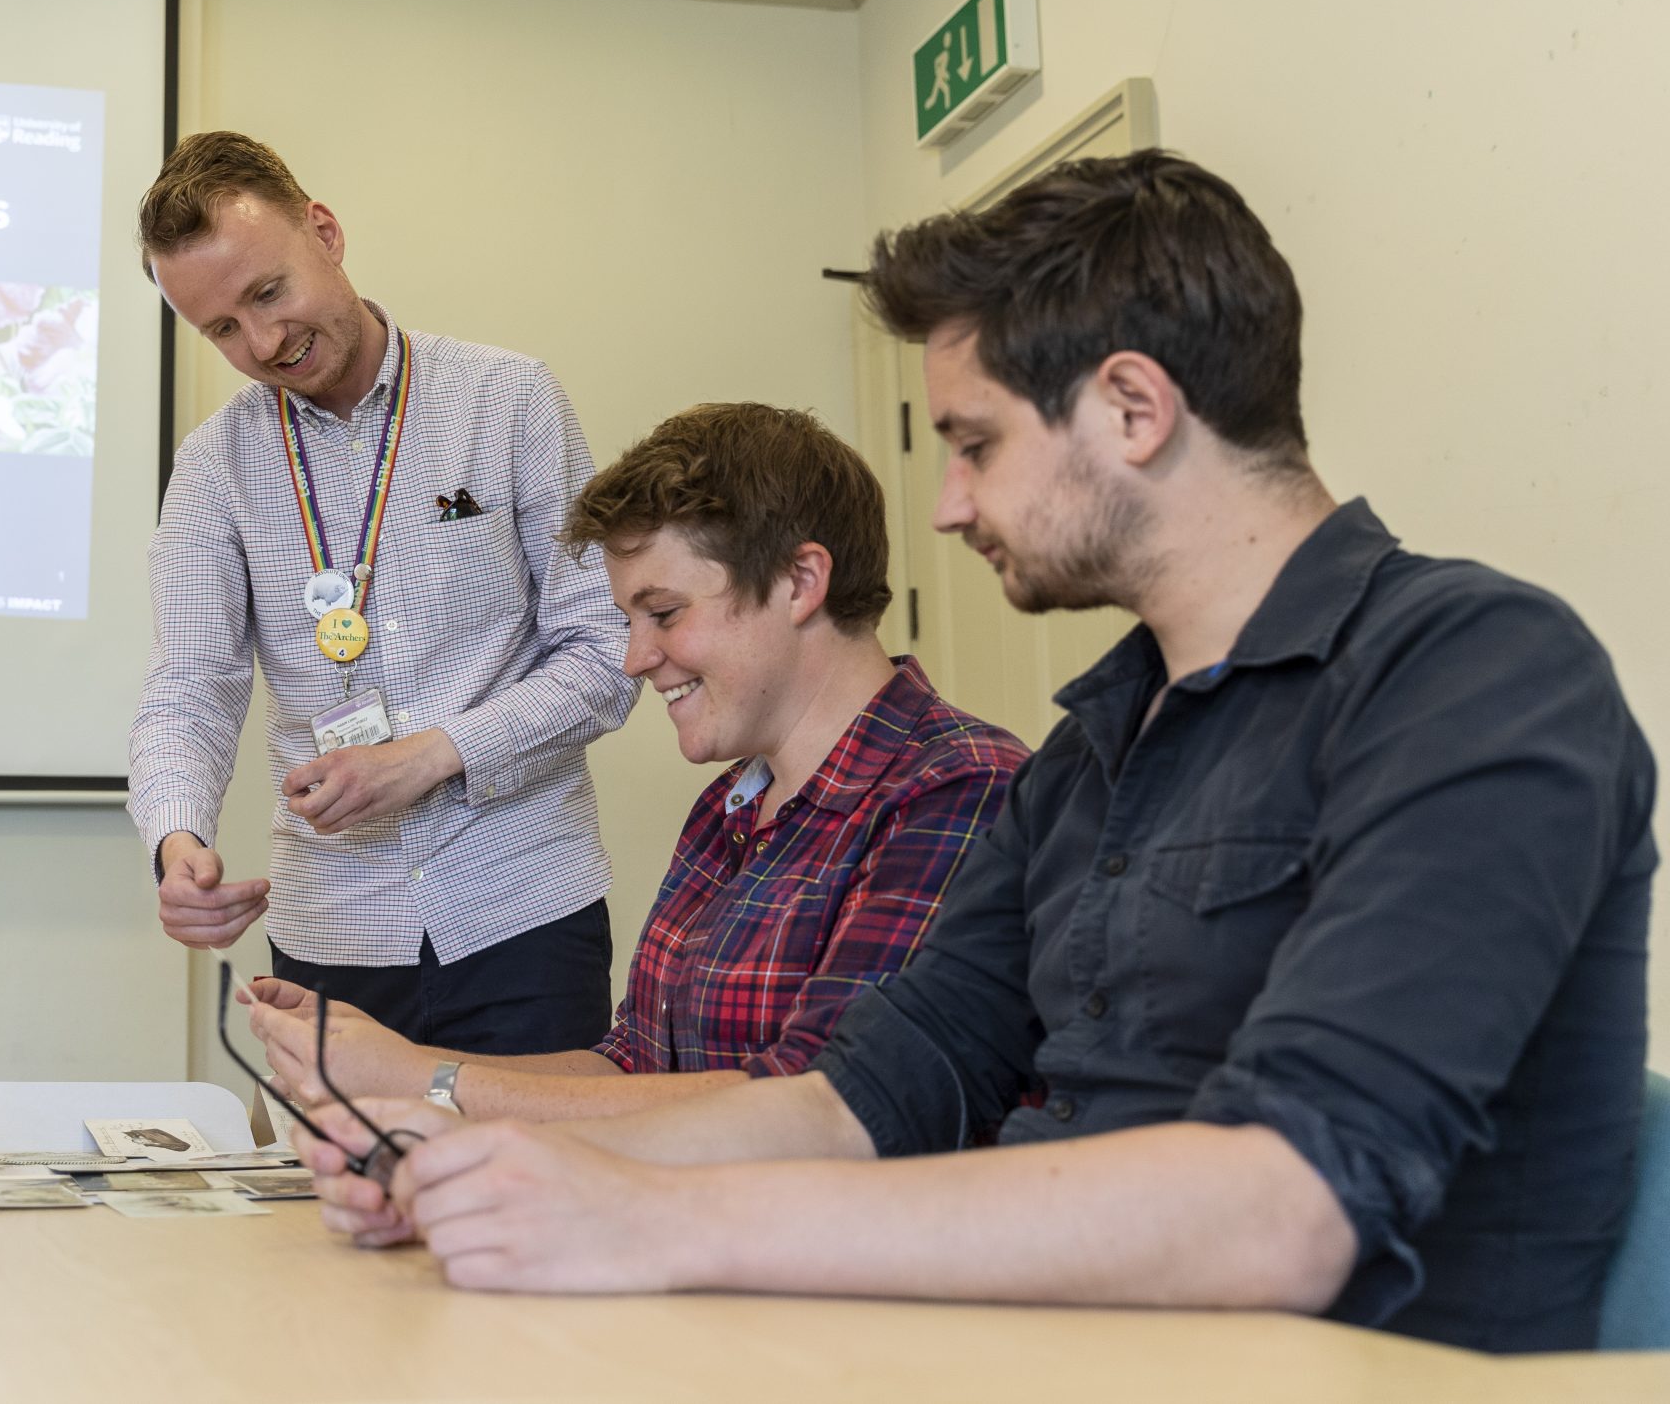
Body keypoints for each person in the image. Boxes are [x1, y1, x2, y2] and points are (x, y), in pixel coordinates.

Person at [296, 150, 1657, 1354]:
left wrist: (652, 1218)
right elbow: (855, 1102)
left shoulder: (1476, 672)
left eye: (976, 443)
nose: (946, 505)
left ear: (1133, 406)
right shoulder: (1087, 755)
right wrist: (475, 1151)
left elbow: (1284, 1210)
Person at [246, 402, 1024, 1121]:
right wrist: (379, 1058)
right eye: (629, 619)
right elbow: (635, 1067)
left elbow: (814, 1106)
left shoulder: (957, 791)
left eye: (663, 613)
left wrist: (426, 1082)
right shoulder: (731, 809)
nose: (634, 658)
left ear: (801, 581)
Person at [129, 131, 637, 1054]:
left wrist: (432, 755)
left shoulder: (508, 400)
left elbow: (607, 652)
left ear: (324, 231)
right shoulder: (212, 468)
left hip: (524, 909)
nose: (264, 342)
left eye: (268, 293)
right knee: (334, 1201)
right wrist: (175, 838)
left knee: (531, 1189)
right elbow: (190, 686)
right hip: (331, 928)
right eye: (222, 330)